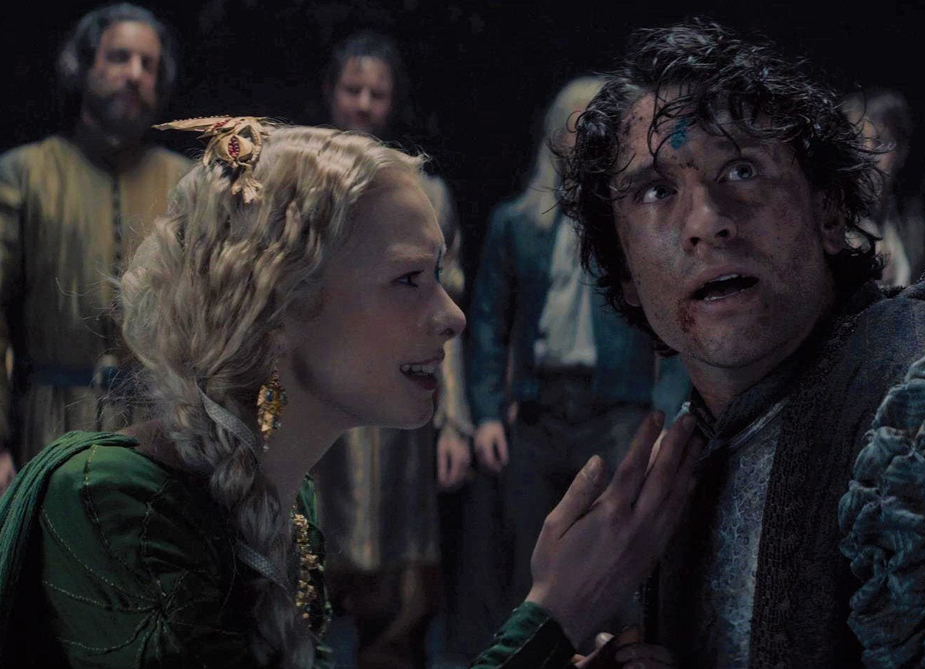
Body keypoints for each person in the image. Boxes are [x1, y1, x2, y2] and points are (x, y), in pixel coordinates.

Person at [0, 121, 700, 668]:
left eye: (439, 276)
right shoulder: (108, 497)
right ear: (275, 305)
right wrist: (553, 614)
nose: (452, 316)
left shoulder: (289, 504)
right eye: (408, 280)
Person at [474, 18, 925, 667]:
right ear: (625, 269)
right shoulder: (703, 436)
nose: (705, 223)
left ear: (829, 210)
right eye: (657, 190)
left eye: (742, 170)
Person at [468, 76, 690, 617]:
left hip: (616, 404)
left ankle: (620, 648)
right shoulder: (517, 224)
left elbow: (678, 321)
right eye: (576, 124)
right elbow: (489, 321)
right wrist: (487, 413)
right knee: (530, 551)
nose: (588, 134)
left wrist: (664, 411)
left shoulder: (637, 224)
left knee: (619, 549)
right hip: (539, 406)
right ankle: (532, 648)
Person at [314, 30, 471, 668]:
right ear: (331, 93)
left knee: (401, 600)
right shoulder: (297, 183)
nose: (363, 103)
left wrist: (454, 422)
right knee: (306, 570)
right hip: (319, 396)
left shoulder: (426, 193)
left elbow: (444, 316)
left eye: (376, 93)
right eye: (352, 89)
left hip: (399, 402)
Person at [0, 3, 190, 491]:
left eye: (149, 65)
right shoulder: (26, 174)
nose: (135, 74)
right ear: (84, 67)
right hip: (45, 430)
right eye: (119, 57)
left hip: (157, 439)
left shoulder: (186, 184)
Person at [841, 89, 920, 286]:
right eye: (857, 141)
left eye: (880, 142)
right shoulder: (830, 218)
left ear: (901, 152)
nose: (866, 154)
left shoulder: (912, 225)